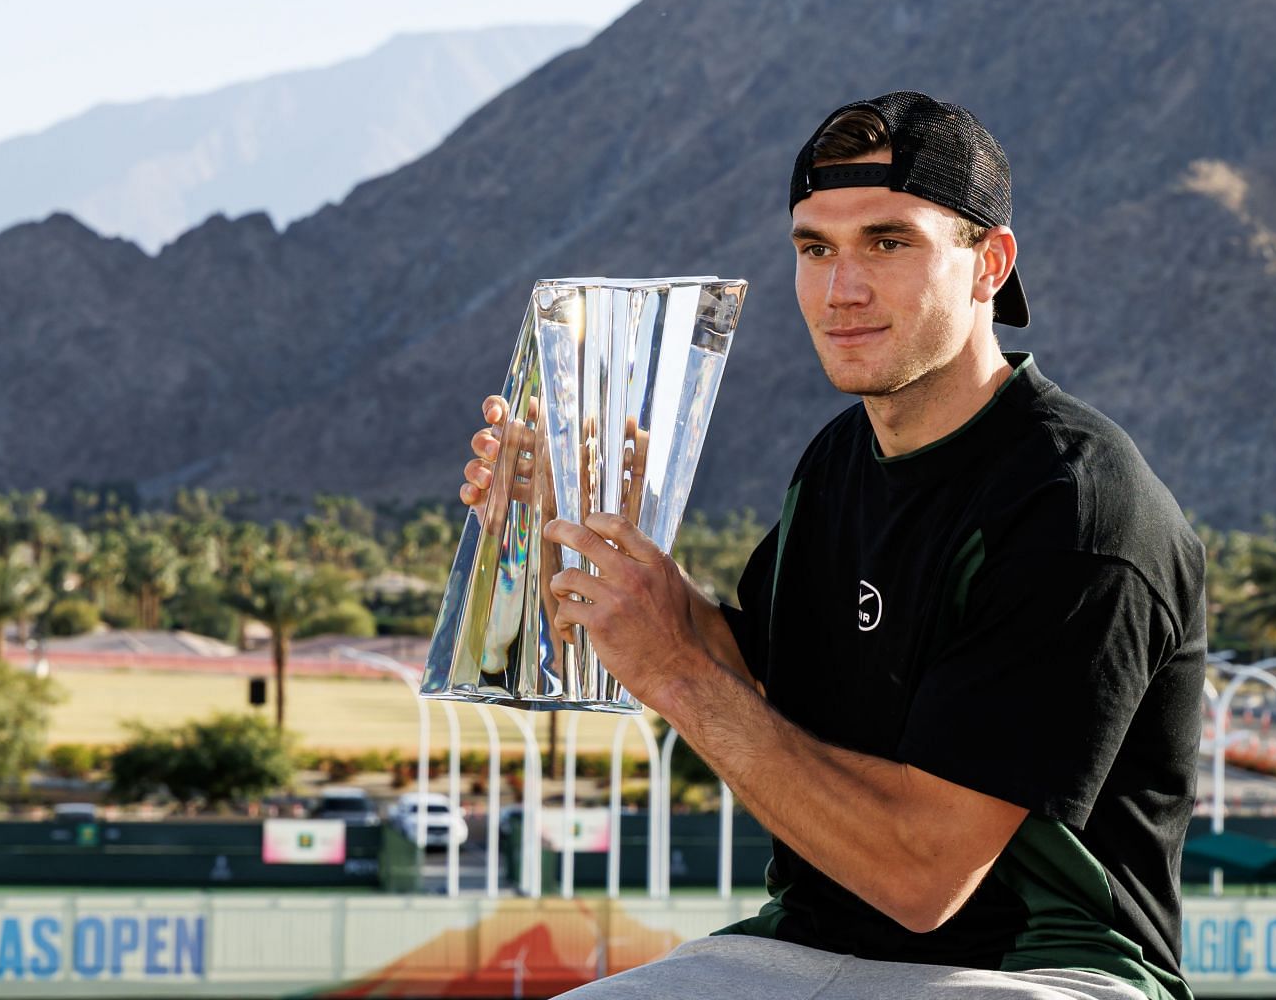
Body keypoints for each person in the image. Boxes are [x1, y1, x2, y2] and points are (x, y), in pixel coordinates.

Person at [459, 92, 1206, 999]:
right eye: (816, 249)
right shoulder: (840, 457)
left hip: (1040, 972)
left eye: (888, 243)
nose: (841, 289)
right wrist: (575, 526)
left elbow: (924, 876)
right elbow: (753, 681)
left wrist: (677, 674)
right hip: (811, 943)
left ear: (988, 265)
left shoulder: (1078, 506)